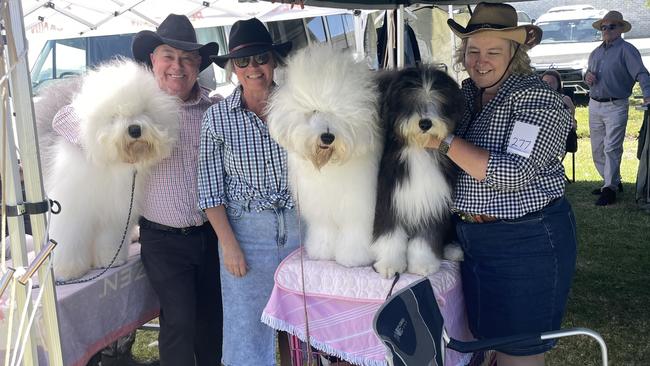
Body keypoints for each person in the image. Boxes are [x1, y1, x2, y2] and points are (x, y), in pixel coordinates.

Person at [52, 14, 223, 366]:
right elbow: (63, 119)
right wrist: (109, 144)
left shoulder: (214, 109)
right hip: (163, 241)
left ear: (198, 66)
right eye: (169, 57)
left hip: (211, 234)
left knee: (212, 321)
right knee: (178, 322)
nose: (177, 67)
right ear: (153, 61)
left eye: (187, 59)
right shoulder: (128, 99)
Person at [426, 3, 577, 365]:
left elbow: (512, 174)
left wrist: (443, 140)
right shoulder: (467, 95)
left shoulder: (535, 100)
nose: (480, 61)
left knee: (518, 351)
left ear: (515, 53)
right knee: (484, 340)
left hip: (526, 242)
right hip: (474, 239)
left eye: (493, 52)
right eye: (473, 51)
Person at [197, 18, 298, 365]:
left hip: (302, 227)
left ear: (274, 61)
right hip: (246, 236)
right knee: (246, 335)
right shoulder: (217, 119)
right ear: (232, 69)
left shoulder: (300, 106)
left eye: (261, 57)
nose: (253, 67)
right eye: (243, 61)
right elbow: (210, 191)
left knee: (303, 328)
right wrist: (229, 245)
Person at [584, 10, 650, 206]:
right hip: (594, 103)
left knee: (611, 148)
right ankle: (611, 181)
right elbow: (588, 74)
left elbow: (642, 73)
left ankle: (610, 188)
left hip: (616, 104)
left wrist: (647, 94)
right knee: (597, 148)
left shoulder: (627, 50)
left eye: (611, 26)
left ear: (621, 29)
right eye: (604, 27)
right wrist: (586, 77)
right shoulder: (596, 52)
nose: (606, 30)